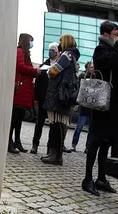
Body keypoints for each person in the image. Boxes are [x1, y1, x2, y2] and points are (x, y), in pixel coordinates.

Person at [83, 21, 118, 196]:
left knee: (106, 142)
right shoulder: (101, 50)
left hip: (114, 107)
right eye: (115, 34)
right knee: (96, 141)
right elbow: (108, 63)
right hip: (102, 105)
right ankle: (87, 179)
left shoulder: (115, 52)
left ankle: (101, 178)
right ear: (106, 35)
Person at [41, 34, 80, 166]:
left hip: (58, 96)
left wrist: (48, 71)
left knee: (56, 127)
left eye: (60, 41)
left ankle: (56, 156)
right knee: (58, 126)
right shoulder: (73, 56)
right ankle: (54, 154)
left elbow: (53, 71)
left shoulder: (66, 55)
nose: (59, 44)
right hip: (64, 96)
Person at [9, 33, 38, 154]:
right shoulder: (20, 51)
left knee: (19, 118)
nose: (32, 44)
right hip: (20, 89)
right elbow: (20, 66)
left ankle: (17, 140)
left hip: (25, 90)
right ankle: (10, 141)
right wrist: (35, 71)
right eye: (31, 41)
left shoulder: (25, 53)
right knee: (15, 118)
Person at [31, 43, 59, 154]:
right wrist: (36, 97)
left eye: (53, 50)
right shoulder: (44, 65)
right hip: (43, 98)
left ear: (57, 52)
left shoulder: (59, 66)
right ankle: (35, 145)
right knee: (39, 123)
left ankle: (50, 148)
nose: (50, 52)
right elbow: (37, 83)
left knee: (53, 125)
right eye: (50, 50)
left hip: (53, 100)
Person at [71, 61, 94, 152]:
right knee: (79, 126)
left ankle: (88, 147)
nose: (92, 69)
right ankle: (74, 144)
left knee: (91, 129)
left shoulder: (96, 76)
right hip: (84, 106)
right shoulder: (82, 76)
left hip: (92, 106)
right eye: (91, 67)